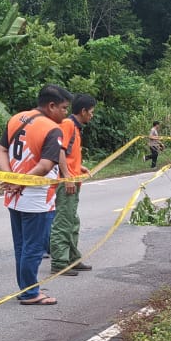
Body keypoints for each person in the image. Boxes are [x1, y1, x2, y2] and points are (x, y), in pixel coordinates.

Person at [0, 84, 73, 306]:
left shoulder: (17, 118)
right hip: (36, 198)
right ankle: (30, 293)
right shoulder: (51, 129)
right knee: (34, 248)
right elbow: (45, 165)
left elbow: (1, 149)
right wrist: (20, 183)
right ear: (51, 106)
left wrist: (10, 177)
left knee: (21, 246)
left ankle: (26, 288)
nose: (65, 113)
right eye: (63, 108)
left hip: (14, 197)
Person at [50, 93, 96, 276]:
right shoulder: (68, 125)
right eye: (91, 112)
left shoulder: (76, 128)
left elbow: (68, 154)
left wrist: (78, 167)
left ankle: (72, 258)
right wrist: (67, 175)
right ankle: (59, 262)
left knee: (72, 221)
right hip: (67, 183)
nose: (91, 116)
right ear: (83, 111)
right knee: (63, 222)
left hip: (74, 181)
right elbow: (59, 151)